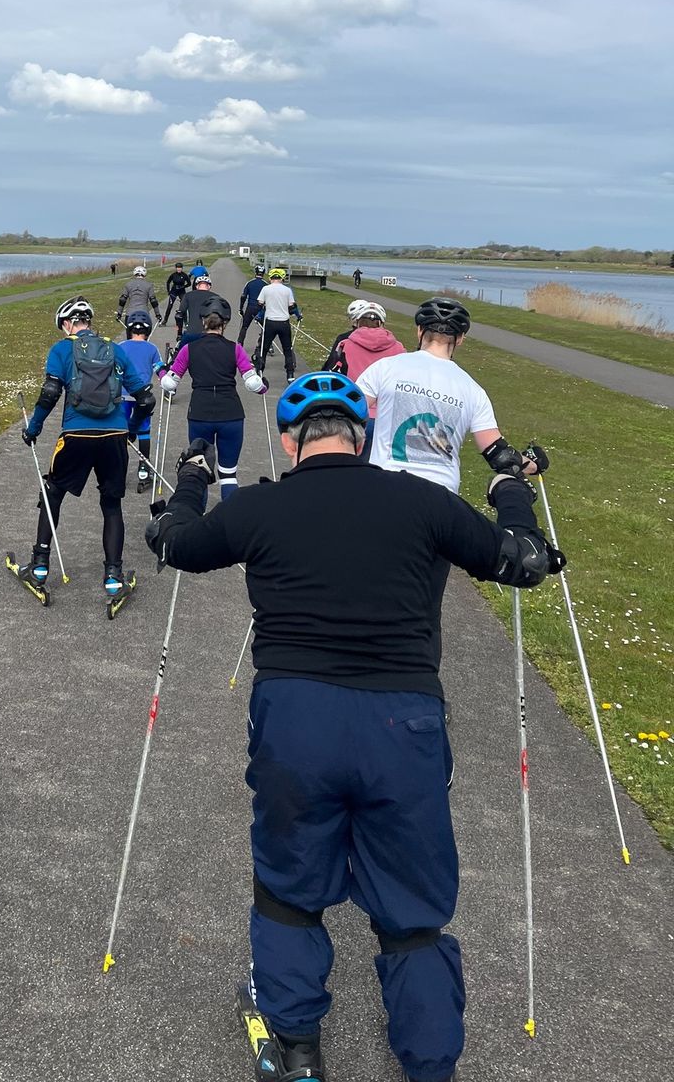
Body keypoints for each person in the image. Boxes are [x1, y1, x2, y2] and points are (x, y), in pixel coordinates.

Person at [143, 372, 563, 1082]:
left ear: (287, 441)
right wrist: (511, 492)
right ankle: (430, 1063)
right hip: (402, 718)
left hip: (296, 717)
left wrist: (189, 480)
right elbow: (523, 562)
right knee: (411, 907)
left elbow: (175, 543)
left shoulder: (265, 508)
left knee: (289, 885)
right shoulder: (423, 501)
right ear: (362, 439)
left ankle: (298, 1045)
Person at [20, 298, 155, 598]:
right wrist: (131, 431)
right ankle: (113, 577)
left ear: (68, 324)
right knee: (111, 505)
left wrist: (34, 428)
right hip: (114, 437)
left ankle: (40, 566)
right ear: (89, 322)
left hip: (76, 435)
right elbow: (146, 399)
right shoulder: (115, 349)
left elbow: (50, 394)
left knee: (52, 493)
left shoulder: (61, 349)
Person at [357, 298, 543, 495]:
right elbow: (499, 454)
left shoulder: (385, 367)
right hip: (442, 497)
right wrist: (533, 463)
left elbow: (346, 414)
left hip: (385, 486)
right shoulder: (473, 389)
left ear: (419, 331)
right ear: (460, 338)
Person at [161, 312, 266, 496]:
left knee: (200, 472)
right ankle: (230, 520)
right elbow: (252, 383)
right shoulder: (235, 348)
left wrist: (161, 373)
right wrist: (263, 387)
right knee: (228, 474)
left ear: (203, 323)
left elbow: (170, 384)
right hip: (231, 413)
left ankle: (199, 518)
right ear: (223, 325)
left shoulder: (188, 349)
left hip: (200, 413)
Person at [116, 313, 166, 491]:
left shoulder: (120, 346)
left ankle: (118, 471)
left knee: (121, 432)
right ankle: (144, 471)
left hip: (122, 396)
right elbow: (159, 368)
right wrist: (166, 380)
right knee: (144, 430)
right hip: (142, 397)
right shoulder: (151, 348)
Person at [325, 300, 404, 381]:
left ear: (358, 323)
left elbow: (331, 372)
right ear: (382, 325)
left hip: (352, 392)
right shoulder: (399, 348)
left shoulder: (344, 344)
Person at [255, 273, 302, 381]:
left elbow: (260, 303)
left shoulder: (265, 289)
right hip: (284, 322)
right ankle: (290, 374)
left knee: (264, 348)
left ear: (271, 278)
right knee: (287, 349)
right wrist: (298, 315)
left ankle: (259, 371)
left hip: (270, 322)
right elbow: (292, 306)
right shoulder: (287, 290)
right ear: (281, 279)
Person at [179, 273, 233, 343]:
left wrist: (179, 333)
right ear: (209, 286)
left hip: (191, 332)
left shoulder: (188, 295)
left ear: (197, 286)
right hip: (208, 333)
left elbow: (180, 314)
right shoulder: (216, 297)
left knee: (181, 350)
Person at [237, 264, 267, 350]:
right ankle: (262, 344)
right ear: (263, 273)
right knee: (264, 327)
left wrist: (241, 308)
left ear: (255, 272)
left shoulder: (249, 283)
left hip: (250, 307)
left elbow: (243, 296)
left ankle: (240, 343)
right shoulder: (266, 284)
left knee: (245, 326)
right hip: (261, 308)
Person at [162, 261, 190, 326]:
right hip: (173, 291)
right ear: (176, 268)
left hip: (182, 292)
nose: (179, 269)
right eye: (177, 268)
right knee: (169, 306)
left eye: (180, 268)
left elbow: (189, 283)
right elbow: (168, 282)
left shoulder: (184, 275)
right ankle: (165, 321)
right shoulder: (173, 275)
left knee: (184, 306)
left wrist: (183, 286)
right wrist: (168, 291)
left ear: (182, 268)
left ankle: (185, 322)